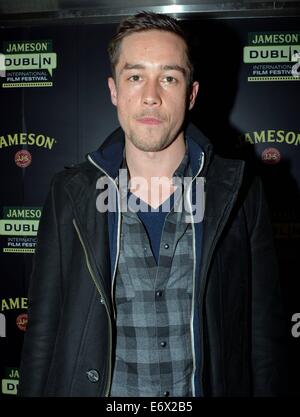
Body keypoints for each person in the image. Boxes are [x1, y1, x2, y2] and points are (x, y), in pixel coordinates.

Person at [18, 11, 286, 397]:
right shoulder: (68, 192)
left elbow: (263, 338)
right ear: (114, 90)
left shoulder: (241, 191)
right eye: (135, 76)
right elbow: (42, 331)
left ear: (190, 94)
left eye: (169, 78)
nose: (150, 95)